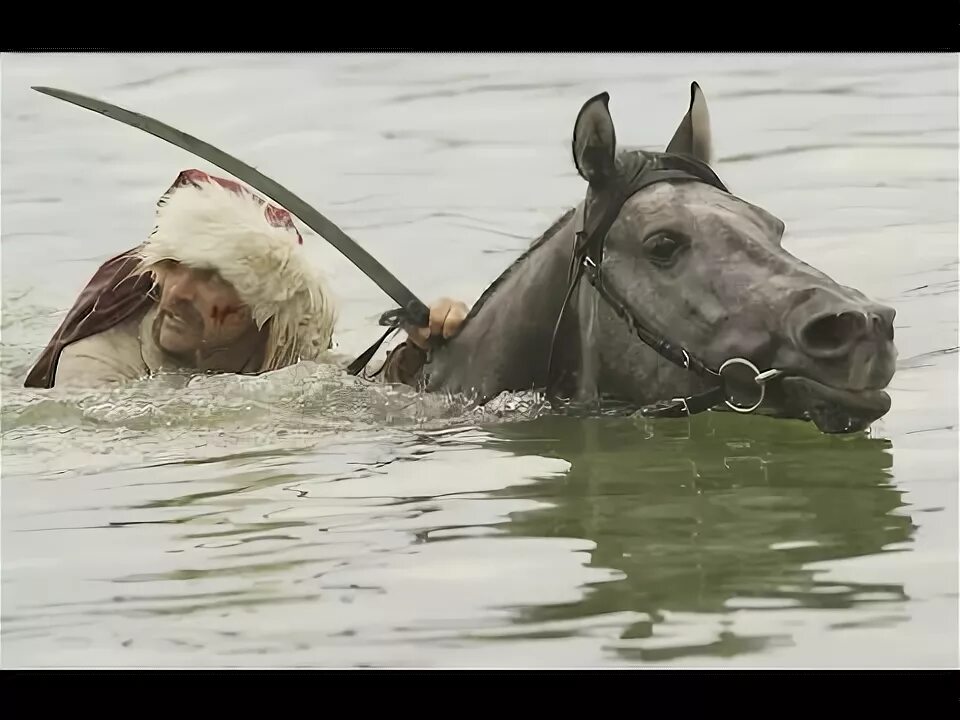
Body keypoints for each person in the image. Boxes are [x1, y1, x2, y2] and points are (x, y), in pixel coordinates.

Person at [23, 168, 467, 390]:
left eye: (211, 276)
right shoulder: (95, 365)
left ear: (264, 302)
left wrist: (425, 347)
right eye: (172, 265)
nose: (175, 294)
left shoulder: (290, 344)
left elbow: (374, 393)